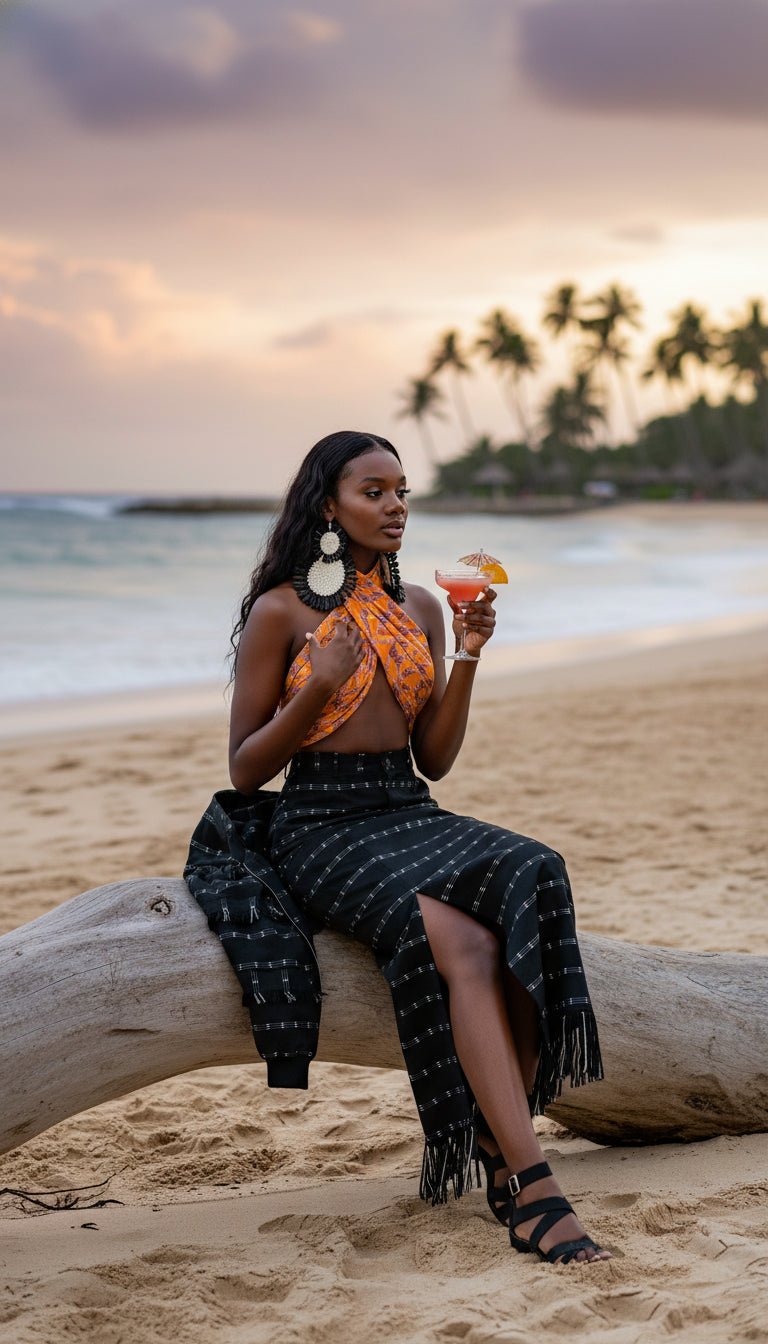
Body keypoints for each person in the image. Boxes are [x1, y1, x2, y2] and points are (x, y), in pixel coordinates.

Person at [224, 429, 609, 1265]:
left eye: (403, 491)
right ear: (328, 505)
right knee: (466, 943)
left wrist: (469, 653)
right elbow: (247, 768)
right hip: (319, 825)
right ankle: (531, 1182)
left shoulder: (421, 609)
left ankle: (500, 1148)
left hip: (409, 805)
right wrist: (315, 690)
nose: (396, 506)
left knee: (534, 866)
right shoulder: (282, 611)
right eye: (375, 492)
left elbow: (433, 756)